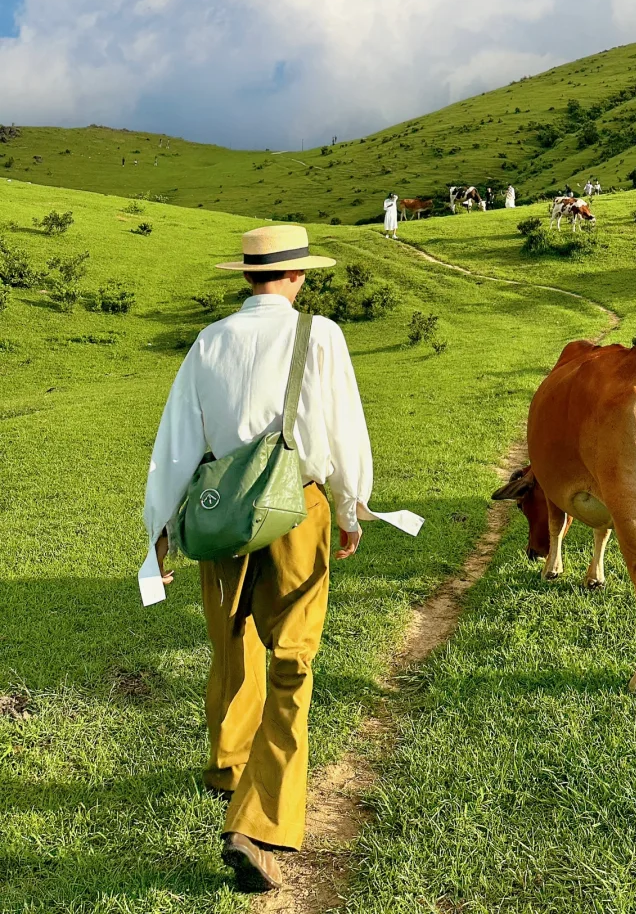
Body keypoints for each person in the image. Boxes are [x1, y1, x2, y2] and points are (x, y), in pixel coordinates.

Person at [140, 225, 421, 894]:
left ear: (246, 275)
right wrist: (351, 509)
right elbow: (346, 432)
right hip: (299, 506)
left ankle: (228, 766)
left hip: (220, 512)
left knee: (232, 640)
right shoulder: (319, 335)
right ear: (297, 276)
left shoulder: (210, 341)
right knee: (292, 660)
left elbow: (176, 442)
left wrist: (159, 532)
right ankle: (257, 823)